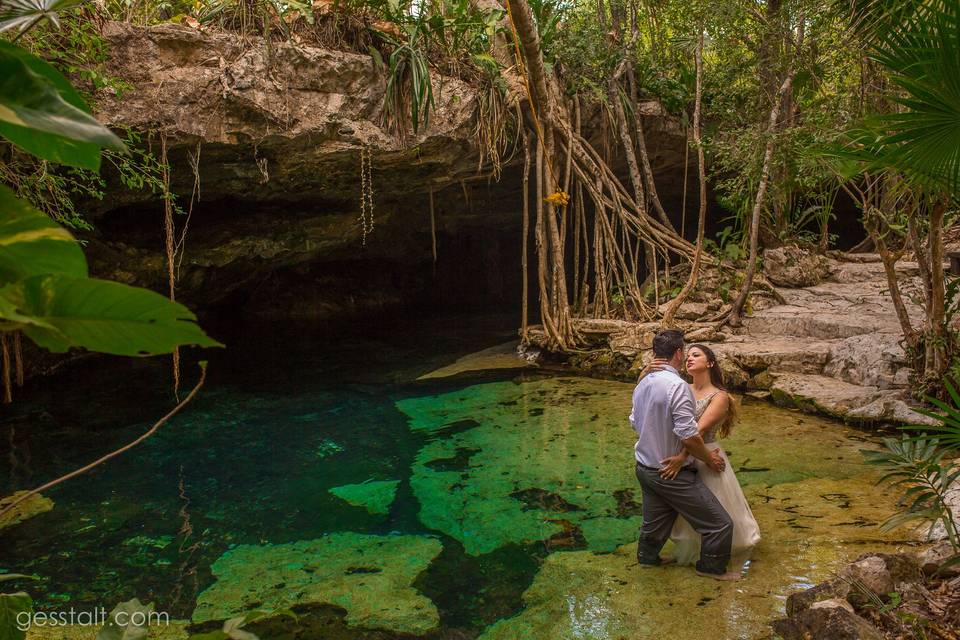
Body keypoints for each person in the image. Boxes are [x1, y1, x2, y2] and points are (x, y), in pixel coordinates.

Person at [630, 330, 740, 581]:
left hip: (645, 467)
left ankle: (647, 560)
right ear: (678, 353)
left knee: (654, 522)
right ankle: (711, 569)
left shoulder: (644, 382)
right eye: (686, 352)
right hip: (671, 470)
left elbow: (635, 422)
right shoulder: (677, 386)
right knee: (720, 524)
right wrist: (709, 458)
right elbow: (689, 435)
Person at [654, 344, 761, 570]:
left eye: (696, 355)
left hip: (706, 456)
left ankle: (718, 556)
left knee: (714, 507)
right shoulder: (682, 388)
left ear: (710, 363)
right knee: (689, 510)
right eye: (688, 356)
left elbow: (699, 431)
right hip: (685, 452)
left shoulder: (720, 396)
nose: (689, 359)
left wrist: (681, 458)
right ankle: (690, 550)